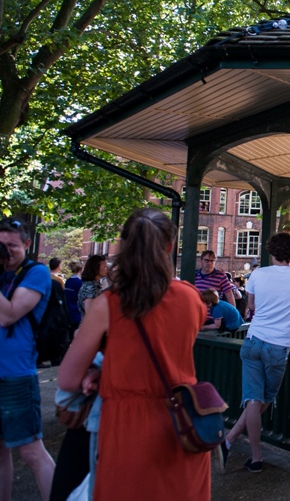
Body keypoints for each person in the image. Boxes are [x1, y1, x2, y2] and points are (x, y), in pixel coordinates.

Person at [57, 208, 210, 499]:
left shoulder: (108, 304)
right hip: (182, 423)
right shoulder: (191, 298)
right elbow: (166, 347)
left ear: (124, 244)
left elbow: (66, 379)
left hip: (127, 427)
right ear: (169, 245)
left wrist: (105, 370)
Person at [222, 232, 290, 473]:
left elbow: (251, 306)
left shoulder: (258, 274)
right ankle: (255, 456)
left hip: (253, 340)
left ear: (271, 251)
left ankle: (229, 442)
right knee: (264, 400)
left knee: (253, 400)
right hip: (278, 345)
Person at [0, 218, 56, 501]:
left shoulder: (37, 273)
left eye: (12, 246)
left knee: (31, 450)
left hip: (16, 376)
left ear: (26, 244)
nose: (6, 252)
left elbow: (8, 314)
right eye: (1, 245)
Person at [77, 255, 108, 319]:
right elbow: (90, 313)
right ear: (96, 268)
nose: (107, 269)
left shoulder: (93, 285)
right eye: (105, 267)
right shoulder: (91, 287)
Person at [63, 261, 84, 334]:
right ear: (81, 269)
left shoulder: (68, 281)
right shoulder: (80, 282)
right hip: (77, 313)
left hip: (68, 311)